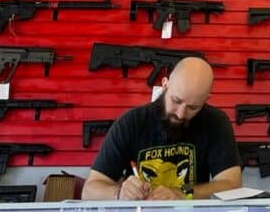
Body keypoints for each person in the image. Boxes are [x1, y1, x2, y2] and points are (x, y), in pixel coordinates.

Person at [81, 57, 242, 200]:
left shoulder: (215, 122)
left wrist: (183, 193)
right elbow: (89, 191)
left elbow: (232, 185)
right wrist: (119, 194)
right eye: (176, 101)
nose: (180, 114)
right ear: (165, 85)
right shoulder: (131, 123)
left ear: (206, 100)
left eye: (192, 107)